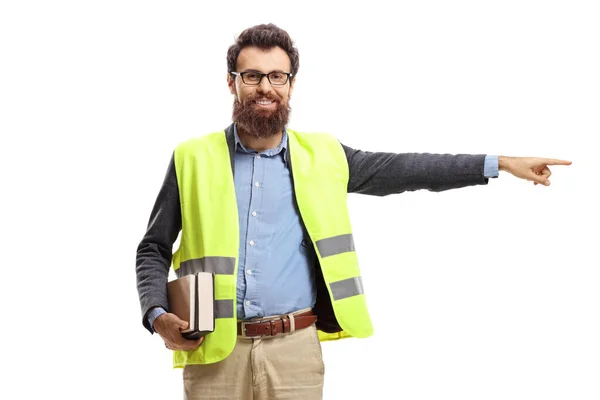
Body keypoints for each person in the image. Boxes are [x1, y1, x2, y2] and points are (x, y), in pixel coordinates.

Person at [135, 23, 572, 400]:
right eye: (251, 76)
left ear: (291, 84)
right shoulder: (191, 157)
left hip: (295, 349)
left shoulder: (325, 155)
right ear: (231, 82)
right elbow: (152, 247)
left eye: (276, 76)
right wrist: (157, 315)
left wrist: (497, 163)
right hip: (214, 351)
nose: (264, 87)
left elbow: (408, 169)